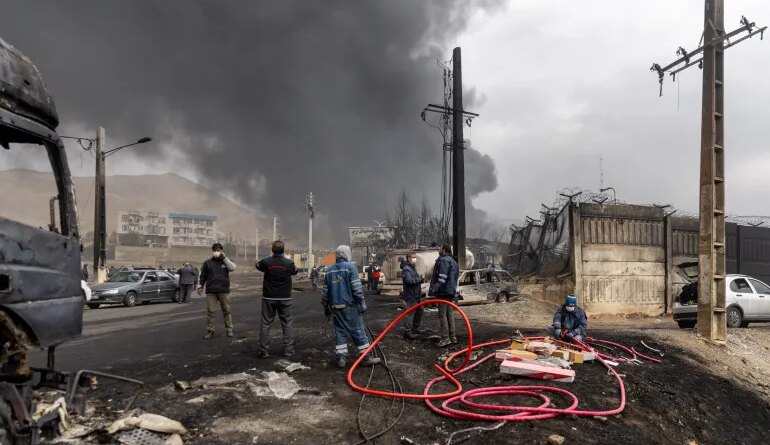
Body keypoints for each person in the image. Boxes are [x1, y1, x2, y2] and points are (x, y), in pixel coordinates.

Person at [322, 245, 381, 368]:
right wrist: (362, 301)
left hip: (335, 307)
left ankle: (341, 358)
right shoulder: (350, 267)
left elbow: (325, 292)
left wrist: (326, 307)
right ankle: (365, 357)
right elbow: (356, 287)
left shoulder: (329, 270)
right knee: (358, 330)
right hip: (350, 306)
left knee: (340, 332)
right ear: (346, 254)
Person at [256, 240, 298, 358]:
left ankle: (264, 351)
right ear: (283, 250)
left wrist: (269, 256)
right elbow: (295, 271)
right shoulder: (289, 263)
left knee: (265, 324)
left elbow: (257, 265)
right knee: (287, 324)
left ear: (272, 250)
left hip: (268, 297)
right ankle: (288, 350)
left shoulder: (266, 262)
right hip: (284, 298)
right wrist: (288, 259)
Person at [198, 242, 237, 338]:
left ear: (221, 251)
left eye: (218, 250)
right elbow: (203, 276)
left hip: (223, 290)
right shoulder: (207, 263)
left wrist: (224, 258)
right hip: (211, 290)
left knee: (226, 310)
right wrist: (200, 286)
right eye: (214, 250)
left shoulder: (226, 261)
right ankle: (210, 330)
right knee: (211, 311)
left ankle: (229, 330)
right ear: (212, 251)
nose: (216, 252)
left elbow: (233, 268)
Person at [429, 244, 459, 348]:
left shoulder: (443, 260)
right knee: (449, 314)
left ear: (444, 250)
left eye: (439, 248)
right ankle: (452, 337)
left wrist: (434, 289)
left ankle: (445, 338)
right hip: (450, 291)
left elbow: (442, 277)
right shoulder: (453, 261)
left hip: (443, 292)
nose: (438, 249)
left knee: (442, 315)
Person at [401, 252, 424, 340]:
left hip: (416, 295)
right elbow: (409, 281)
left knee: (420, 311)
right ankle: (408, 332)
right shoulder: (406, 269)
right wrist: (419, 279)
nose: (415, 259)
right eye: (413, 257)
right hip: (411, 295)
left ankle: (415, 329)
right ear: (408, 259)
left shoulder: (412, 268)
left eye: (415, 257)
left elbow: (414, 279)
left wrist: (419, 279)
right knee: (410, 314)